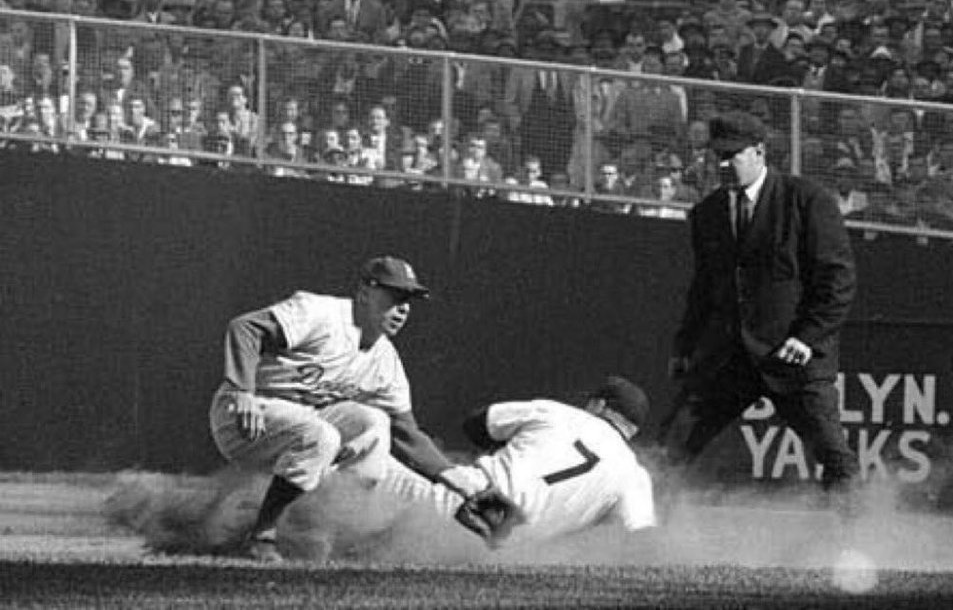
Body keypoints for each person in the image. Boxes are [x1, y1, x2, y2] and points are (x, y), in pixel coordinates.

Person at [208, 256, 497, 561]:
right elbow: (245, 328)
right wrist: (242, 390)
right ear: (364, 293)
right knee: (322, 436)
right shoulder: (321, 313)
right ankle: (261, 536)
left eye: (410, 300)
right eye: (395, 296)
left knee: (373, 425)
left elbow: (406, 434)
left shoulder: (386, 362)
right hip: (243, 416)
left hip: (301, 424)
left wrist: (466, 488)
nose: (404, 309)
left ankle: (330, 534)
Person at [659, 111, 861, 503]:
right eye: (716, 155)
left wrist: (807, 337)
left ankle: (860, 538)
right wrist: (685, 347)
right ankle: (646, 538)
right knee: (671, 447)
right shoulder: (707, 214)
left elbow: (838, 280)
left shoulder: (807, 200)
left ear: (759, 152)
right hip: (728, 359)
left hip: (795, 357)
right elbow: (703, 289)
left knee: (834, 455)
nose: (722, 165)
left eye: (731, 155)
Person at [381, 376, 656, 547]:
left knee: (366, 448)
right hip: (496, 552)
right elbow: (639, 538)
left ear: (599, 405)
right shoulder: (633, 474)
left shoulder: (559, 413)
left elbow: (477, 423)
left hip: (459, 503)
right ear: (632, 430)